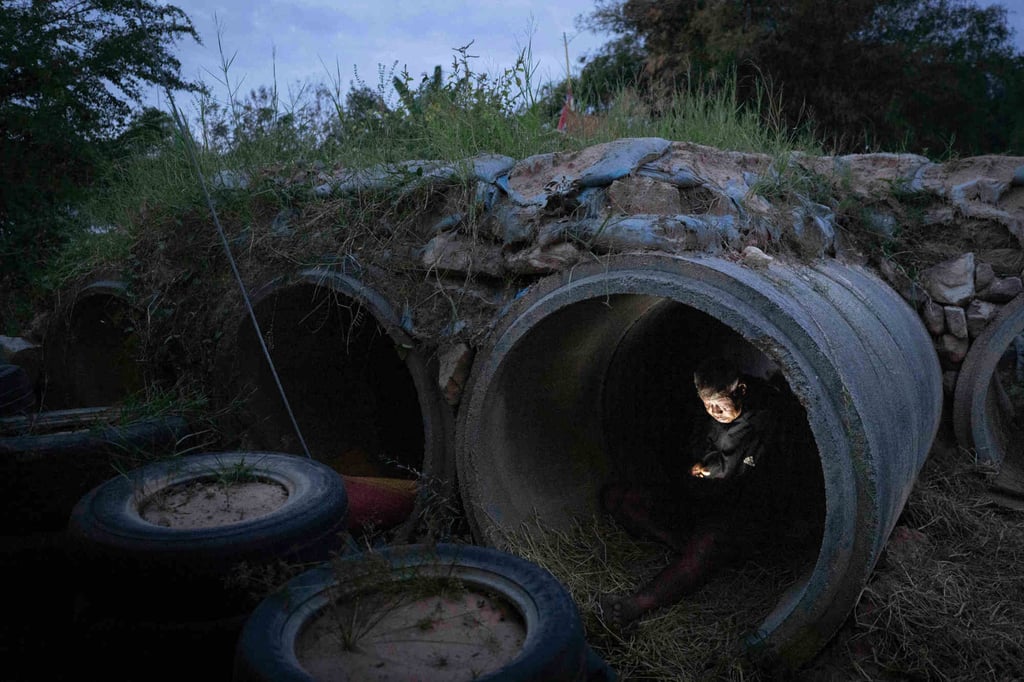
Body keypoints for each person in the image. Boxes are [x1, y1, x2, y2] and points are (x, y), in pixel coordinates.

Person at [599, 357, 781, 631]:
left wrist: (709, 470)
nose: (714, 411)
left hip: (736, 511)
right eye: (707, 404)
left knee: (708, 544)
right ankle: (680, 544)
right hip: (696, 499)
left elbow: (747, 476)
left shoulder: (763, 419)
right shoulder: (706, 414)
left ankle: (634, 606)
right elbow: (685, 450)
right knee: (618, 498)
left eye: (720, 404)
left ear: (741, 390)